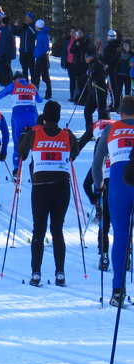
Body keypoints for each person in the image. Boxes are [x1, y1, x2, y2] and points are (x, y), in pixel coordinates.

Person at [18, 101, 78, 287]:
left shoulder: (34, 133)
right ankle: (60, 273)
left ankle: (36, 273)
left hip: (41, 186)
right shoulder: (67, 135)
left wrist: (24, 136)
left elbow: (21, 153)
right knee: (57, 229)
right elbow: (74, 154)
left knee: (39, 229)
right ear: (58, 118)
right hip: (62, 187)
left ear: (44, 117)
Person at [93, 98, 134, 303]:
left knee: (121, 238)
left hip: (119, 184)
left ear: (120, 113)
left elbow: (97, 163)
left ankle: (118, 290)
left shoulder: (110, 129)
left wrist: (99, 186)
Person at [80, 112, 113, 271]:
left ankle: (104, 257)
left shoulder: (97, 127)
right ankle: (127, 256)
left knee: (104, 225)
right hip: (120, 183)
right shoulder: (116, 131)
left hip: (104, 187)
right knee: (123, 224)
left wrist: (94, 198)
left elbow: (86, 184)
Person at [0, 71, 42, 174]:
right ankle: (36, 169)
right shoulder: (32, 86)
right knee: (35, 142)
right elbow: (40, 100)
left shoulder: (13, 85)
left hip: (18, 116)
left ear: (15, 79)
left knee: (17, 142)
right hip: (32, 116)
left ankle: (16, 171)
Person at [83, 50, 108, 131]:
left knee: (101, 113)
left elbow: (104, 74)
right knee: (87, 111)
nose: (85, 58)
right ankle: (89, 131)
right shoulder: (91, 64)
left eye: (87, 56)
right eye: (85, 56)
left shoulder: (97, 63)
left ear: (92, 57)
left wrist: (93, 75)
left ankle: (102, 131)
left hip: (99, 91)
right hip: (93, 93)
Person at [32, 19, 52, 100]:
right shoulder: (40, 33)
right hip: (39, 57)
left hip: (43, 58)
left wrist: (39, 53)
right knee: (36, 75)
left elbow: (46, 47)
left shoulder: (43, 35)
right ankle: (35, 91)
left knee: (45, 76)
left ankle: (48, 93)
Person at [13, 13, 37, 80]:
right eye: (26, 17)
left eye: (28, 17)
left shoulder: (33, 26)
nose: (26, 19)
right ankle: (25, 83)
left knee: (32, 69)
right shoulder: (23, 27)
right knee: (24, 69)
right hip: (22, 51)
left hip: (30, 51)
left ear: (31, 19)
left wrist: (28, 27)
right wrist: (15, 26)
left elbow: (35, 34)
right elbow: (15, 32)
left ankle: (34, 83)